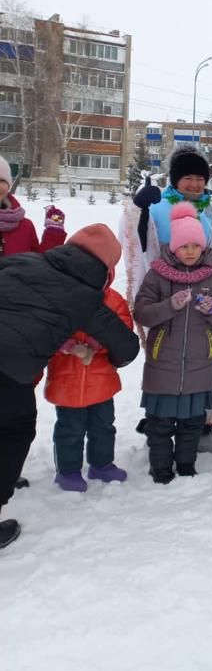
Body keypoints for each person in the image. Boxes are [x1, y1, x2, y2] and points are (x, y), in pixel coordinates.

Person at [0, 224, 140, 548]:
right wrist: (111, 359)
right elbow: (126, 347)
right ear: (105, 269)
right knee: (11, 433)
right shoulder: (84, 298)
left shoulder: (21, 262)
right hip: (9, 374)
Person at [121, 148, 212, 448]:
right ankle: (158, 422)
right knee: (167, 361)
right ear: (174, 179)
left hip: (205, 298)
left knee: (205, 361)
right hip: (170, 298)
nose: (195, 184)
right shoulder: (158, 208)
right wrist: (139, 211)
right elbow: (141, 245)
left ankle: (202, 425)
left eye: (200, 178)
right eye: (188, 178)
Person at [133, 202, 212, 483]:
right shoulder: (158, 275)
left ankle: (187, 465)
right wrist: (169, 306)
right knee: (160, 423)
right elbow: (141, 312)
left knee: (191, 423)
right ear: (173, 247)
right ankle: (161, 468)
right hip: (162, 364)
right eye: (184, 246)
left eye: (195, 245)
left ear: (202, 246)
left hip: (199, 364)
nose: (190, 251)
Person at [0, 156, 68, 490]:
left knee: (15, 412)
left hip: (18, 331)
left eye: (0, 180)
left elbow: (41, 265)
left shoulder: (22, 225)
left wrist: (53, 232)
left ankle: (7, 470)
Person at [45, 271, 134, 491]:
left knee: (103, 427)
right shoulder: (58, 297)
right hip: (67, 382)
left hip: (101, 380)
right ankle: (68, 471)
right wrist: (69, 346)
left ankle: (102, 464)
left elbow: (123, 330)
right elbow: (45, 330)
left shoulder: (113, 300)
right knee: (70, 430)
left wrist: (97, 345)